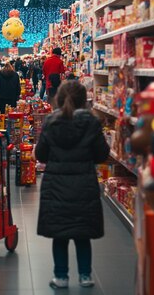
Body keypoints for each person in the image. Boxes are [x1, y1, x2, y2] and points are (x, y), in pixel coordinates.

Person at [35, 81, 110, 290]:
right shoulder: (92, 123)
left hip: (55, 185)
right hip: (84, 184)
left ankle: (61, 276)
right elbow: (102, 154)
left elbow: (41, 154)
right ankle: (85, 275)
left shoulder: (51, 122)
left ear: (59, 99)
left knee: (60, 235)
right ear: (83, 100)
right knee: (82, 233)